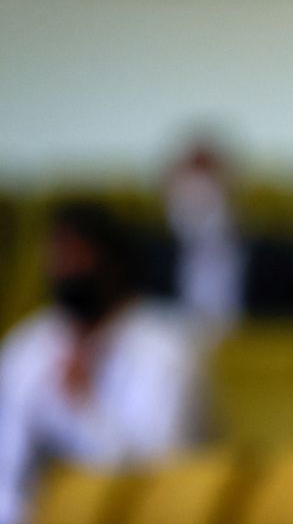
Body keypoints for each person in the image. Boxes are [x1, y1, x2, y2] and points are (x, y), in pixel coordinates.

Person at [0, 202, 205, 524]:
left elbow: (158, 477)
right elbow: (8, 475)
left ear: (113, 262)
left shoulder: (166, 348)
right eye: (58, 256)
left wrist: (83, 406)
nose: (65, 267)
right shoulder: (28, 348)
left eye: (77, 254)